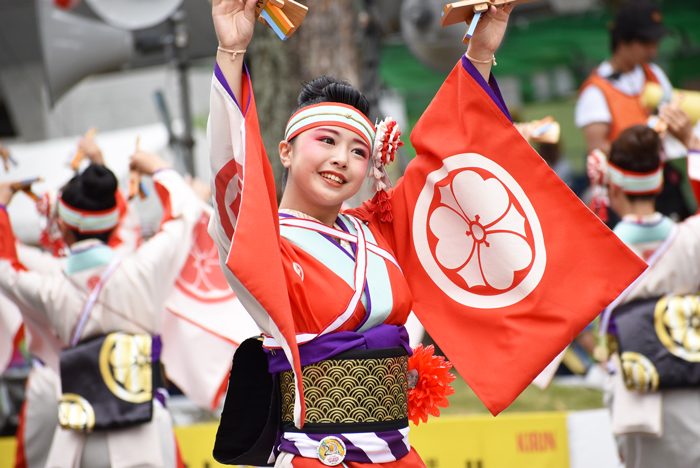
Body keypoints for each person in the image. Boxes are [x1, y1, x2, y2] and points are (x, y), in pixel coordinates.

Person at [208, 1, 646, 467]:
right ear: (286, 152)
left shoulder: (379, 227)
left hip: (398, 455)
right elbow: (234, 181)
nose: (342, 159)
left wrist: (480, 51)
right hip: (316, 457)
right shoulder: (262, 239)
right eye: (326, 141)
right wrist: (231, 51)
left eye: (359, 150)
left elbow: (456, 152)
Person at [0, 151, 202, 468]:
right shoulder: (144, 267)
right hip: (144, 429)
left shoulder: (51, 285)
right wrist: (160, 170)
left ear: (63, 229)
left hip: (82, 435)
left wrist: (0, 206)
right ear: (114, 222)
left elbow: (5, 269)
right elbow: (186, 212)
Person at [592, 106, 700, 468]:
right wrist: (692, 144)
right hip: (692, 386)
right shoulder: (691, 239)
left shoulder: (599, 249)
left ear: (614, 186)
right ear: (658, 180)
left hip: (633, 397)